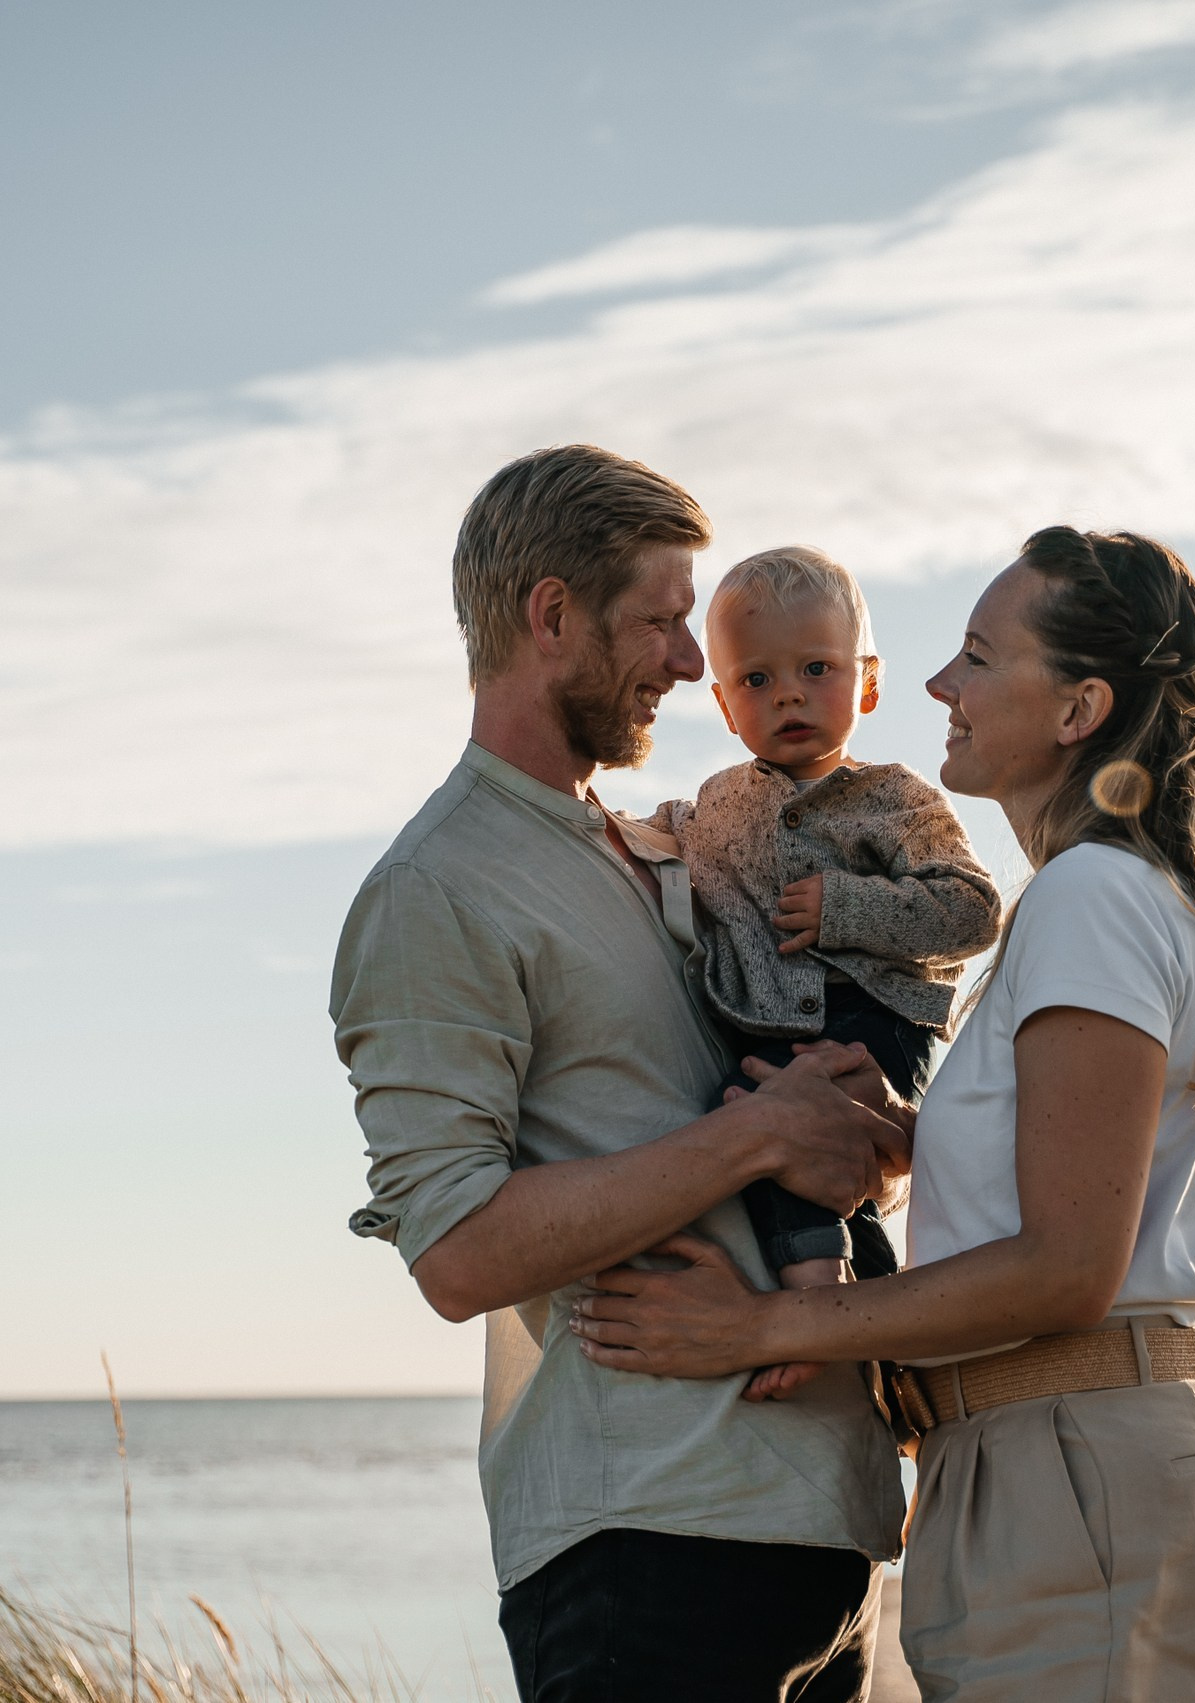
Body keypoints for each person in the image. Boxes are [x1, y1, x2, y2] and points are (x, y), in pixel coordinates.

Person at [570, 526, 1195, 1700]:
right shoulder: (1099, 896)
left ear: (1078, 710)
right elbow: (1071, 1184)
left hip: (1083, 1495)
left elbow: (1069, 1267)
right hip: (1050, 1482)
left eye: (975, 655)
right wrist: (904, 1143)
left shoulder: (1092, 895)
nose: (934, 686)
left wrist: (760, 1327)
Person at [331, 445, 911, 1702]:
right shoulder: (438, 887)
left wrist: (862, 1127)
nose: (692, 663)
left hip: (819, 1525)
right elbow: (457, 1251)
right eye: (658, 619)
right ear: (551, 615)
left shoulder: (677, 850)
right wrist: (757, 1140)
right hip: (643, 1545)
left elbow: (794, 1119)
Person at [646, 545, 999, 1402]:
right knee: (754, 1124)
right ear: (726, 706)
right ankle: (889, 1356)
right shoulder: (721, 800)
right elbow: (674, 835)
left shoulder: (894, 796)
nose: (790, 694)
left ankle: (813, 1313)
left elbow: (973, 908)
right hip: (773, 1018)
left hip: (876, 1020)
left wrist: (849, 907)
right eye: (758, 681)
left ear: (867, 684)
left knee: (784, 1129)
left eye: (816, 668)